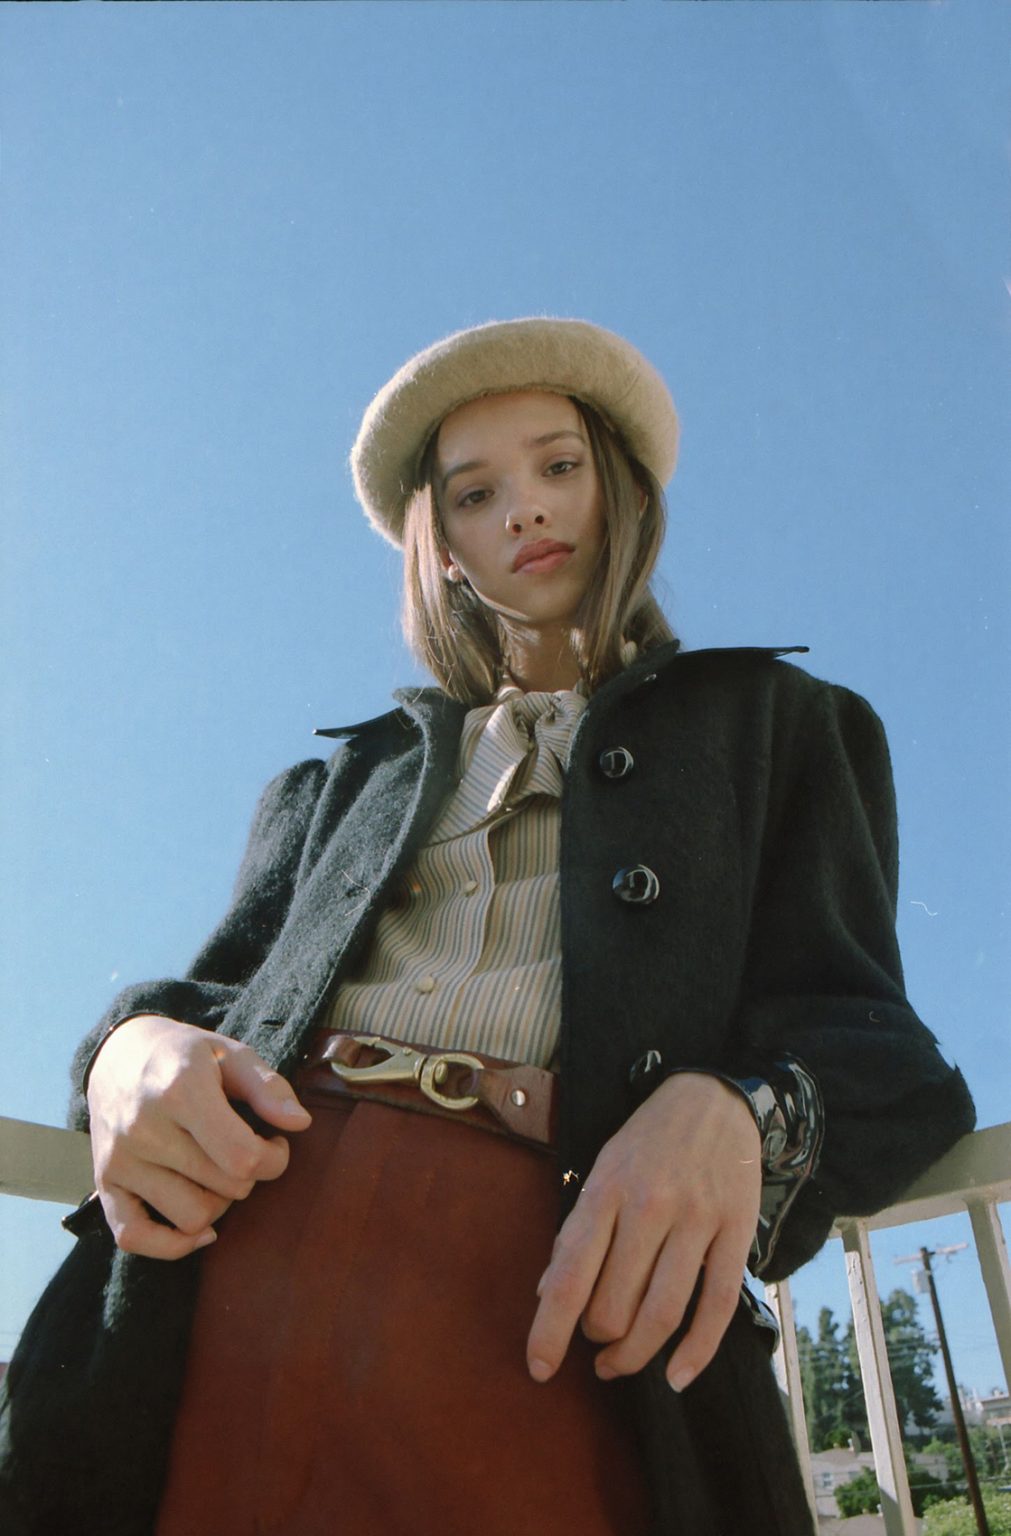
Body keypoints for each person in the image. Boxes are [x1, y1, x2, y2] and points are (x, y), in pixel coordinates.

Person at [0, 318, 975, 1536]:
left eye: (559, 466)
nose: (526, 509)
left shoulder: (781, 728)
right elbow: (217, 1000)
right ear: (446, 549)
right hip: (223, 1279)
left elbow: (880, 1052)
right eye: (475, 493)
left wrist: (736, 1109)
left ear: (622, 491)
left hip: (554, 1311)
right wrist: (124, 1050)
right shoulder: (346, 777)